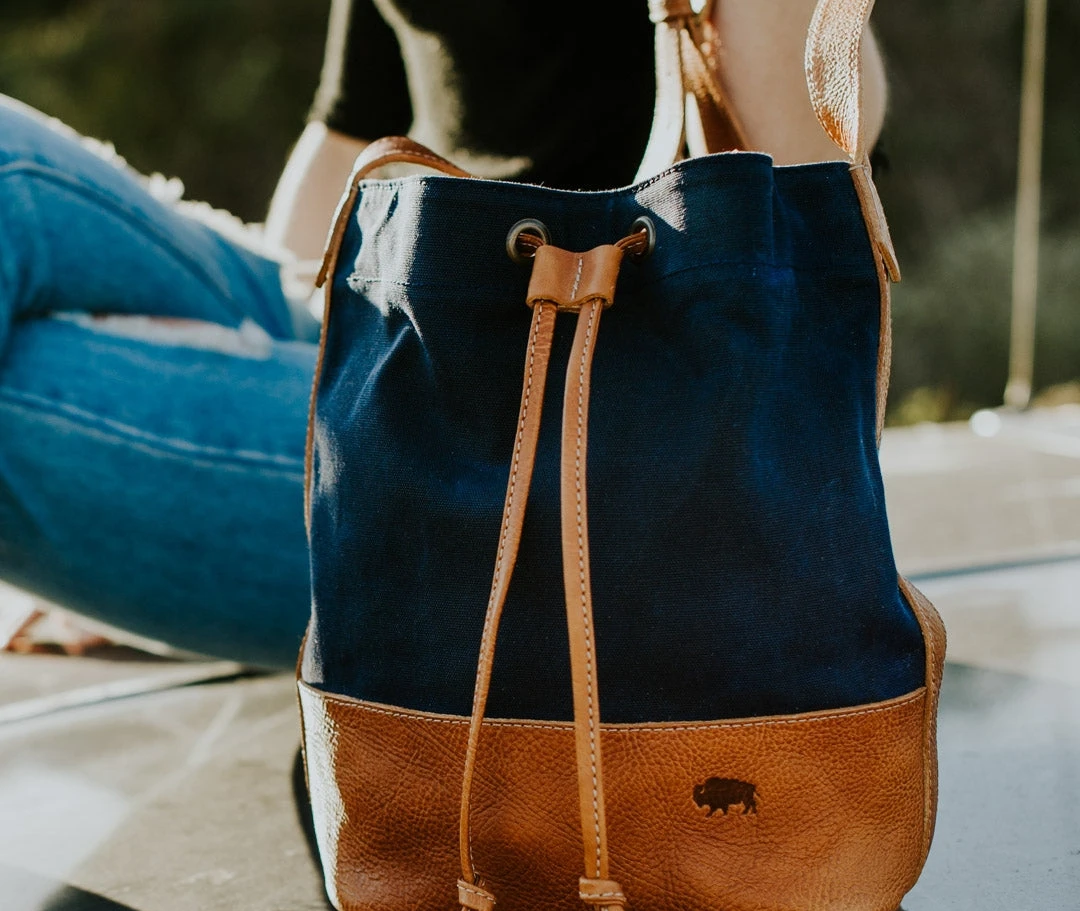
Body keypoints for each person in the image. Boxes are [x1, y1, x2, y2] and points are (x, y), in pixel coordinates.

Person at [0, 0, 886, 668]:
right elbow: (347, 141)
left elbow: (808, 192)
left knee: (17, 395)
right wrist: (237, 367)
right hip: (393, 325)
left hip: (573, 451)